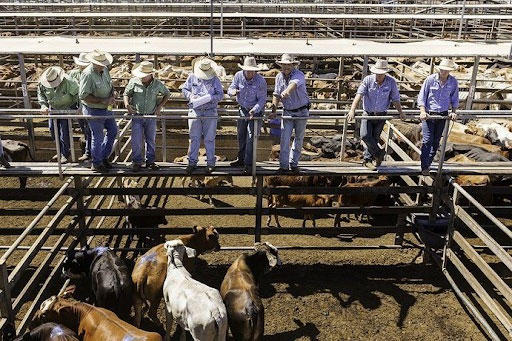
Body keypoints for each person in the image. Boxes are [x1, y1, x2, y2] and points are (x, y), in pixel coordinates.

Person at [347, 59, 404, 170]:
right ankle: (379, 154)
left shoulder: (391, 82)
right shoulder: (368, 80)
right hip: (368, 113)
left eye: (381, 73)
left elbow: (395, 99)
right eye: (377, 73)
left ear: (385, 73)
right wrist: (352, 109)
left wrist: (400, 112)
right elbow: (359, 94)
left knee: (374, 138)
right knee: (364, 135)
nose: (379, 75)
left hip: (381, 114)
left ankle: (368, 160)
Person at [123, 61, 170, 172]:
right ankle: (137, 161)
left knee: (151, 140)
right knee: (136, 140)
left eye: (144, 75)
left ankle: (150, 161)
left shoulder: (157, 84)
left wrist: (159, 107)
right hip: (137, 116)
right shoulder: (133, 82)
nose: (142, 78)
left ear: (150, 74)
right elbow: (126, 93)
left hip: (151, 115)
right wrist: (127, 105)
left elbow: (167, 94)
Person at [182, 57, 224, 174]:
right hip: (195, 110)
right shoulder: (192, 77)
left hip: (209, 110)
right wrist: (191, 96)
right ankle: (192, 162)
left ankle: (210, 163)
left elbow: (220, 95)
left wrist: (211, 98)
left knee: (209, 138)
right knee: (194, 138)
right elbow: (184, 90)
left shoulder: (215, 79)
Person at [417, 59, 459, 176]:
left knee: (436, 142)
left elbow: (454, 98)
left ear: (449, 71)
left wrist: (453, 112)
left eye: (446, 70)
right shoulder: (430, 80)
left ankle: (428, 163)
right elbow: (422, 96)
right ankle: (424, 166)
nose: (444, 71)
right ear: (439, 69)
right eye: (442, 69)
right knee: (427, 140)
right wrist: (422, 111)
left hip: (442, 115)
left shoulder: (453, 82)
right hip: (429, 114)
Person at [79, 49, 118, 173]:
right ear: (95, 63)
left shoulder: (105, 70)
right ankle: (96, 162)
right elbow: (83, 95)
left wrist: (112, 95)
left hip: (106, 108)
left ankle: (103, 156)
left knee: (113, 130)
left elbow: (110, 85)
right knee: (98, 136)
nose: (103, 66)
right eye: (101, 64)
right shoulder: (87, 74)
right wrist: (103, 100)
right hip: (93, 110)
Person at [270, 54, 310, 174]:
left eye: (288, 64)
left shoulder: (299, 74)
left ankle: (294, 163)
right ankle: (283, 166)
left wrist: (287, 91)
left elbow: (294, 84)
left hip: (301, 110)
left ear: (293, 65)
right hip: (288, 111)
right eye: (284, 64)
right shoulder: (278, 77)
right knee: (285, 138)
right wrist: (274, 110)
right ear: (281, 65)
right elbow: (276, 94)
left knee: (299, 138)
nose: (286, 66)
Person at [227, 56, 267, 174]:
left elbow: (262, 100)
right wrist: (232, 92)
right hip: (243, 109)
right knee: (241, 135)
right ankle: (241, 159)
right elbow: (231, 87)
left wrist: (254, 110)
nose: (250, 73)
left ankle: (249, 163)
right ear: (244, 69)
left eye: (252, 70)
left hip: (256, 111)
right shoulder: (238, 76)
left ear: (255, 70)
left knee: (251, 136)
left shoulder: (261, 81)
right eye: (248, 70)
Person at [38, 66, 79, 163]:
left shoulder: (69, 81)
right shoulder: (43, 84)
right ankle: (60, 151)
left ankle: (65, 153)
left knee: (64, 131)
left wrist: (80, 107)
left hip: (67, 108)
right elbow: (41, 94)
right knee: (52, 129)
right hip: (53, 109)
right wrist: (43, 105)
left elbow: (79, 93)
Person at [69, 52, 92, 161]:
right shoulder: (73, 74)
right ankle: (89, 151)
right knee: (85, 129)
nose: (82, 66)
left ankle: (88, 152)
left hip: (88, 106)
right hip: (78, 106)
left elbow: (86, 93)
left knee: (89, 129)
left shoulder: (90, 74)